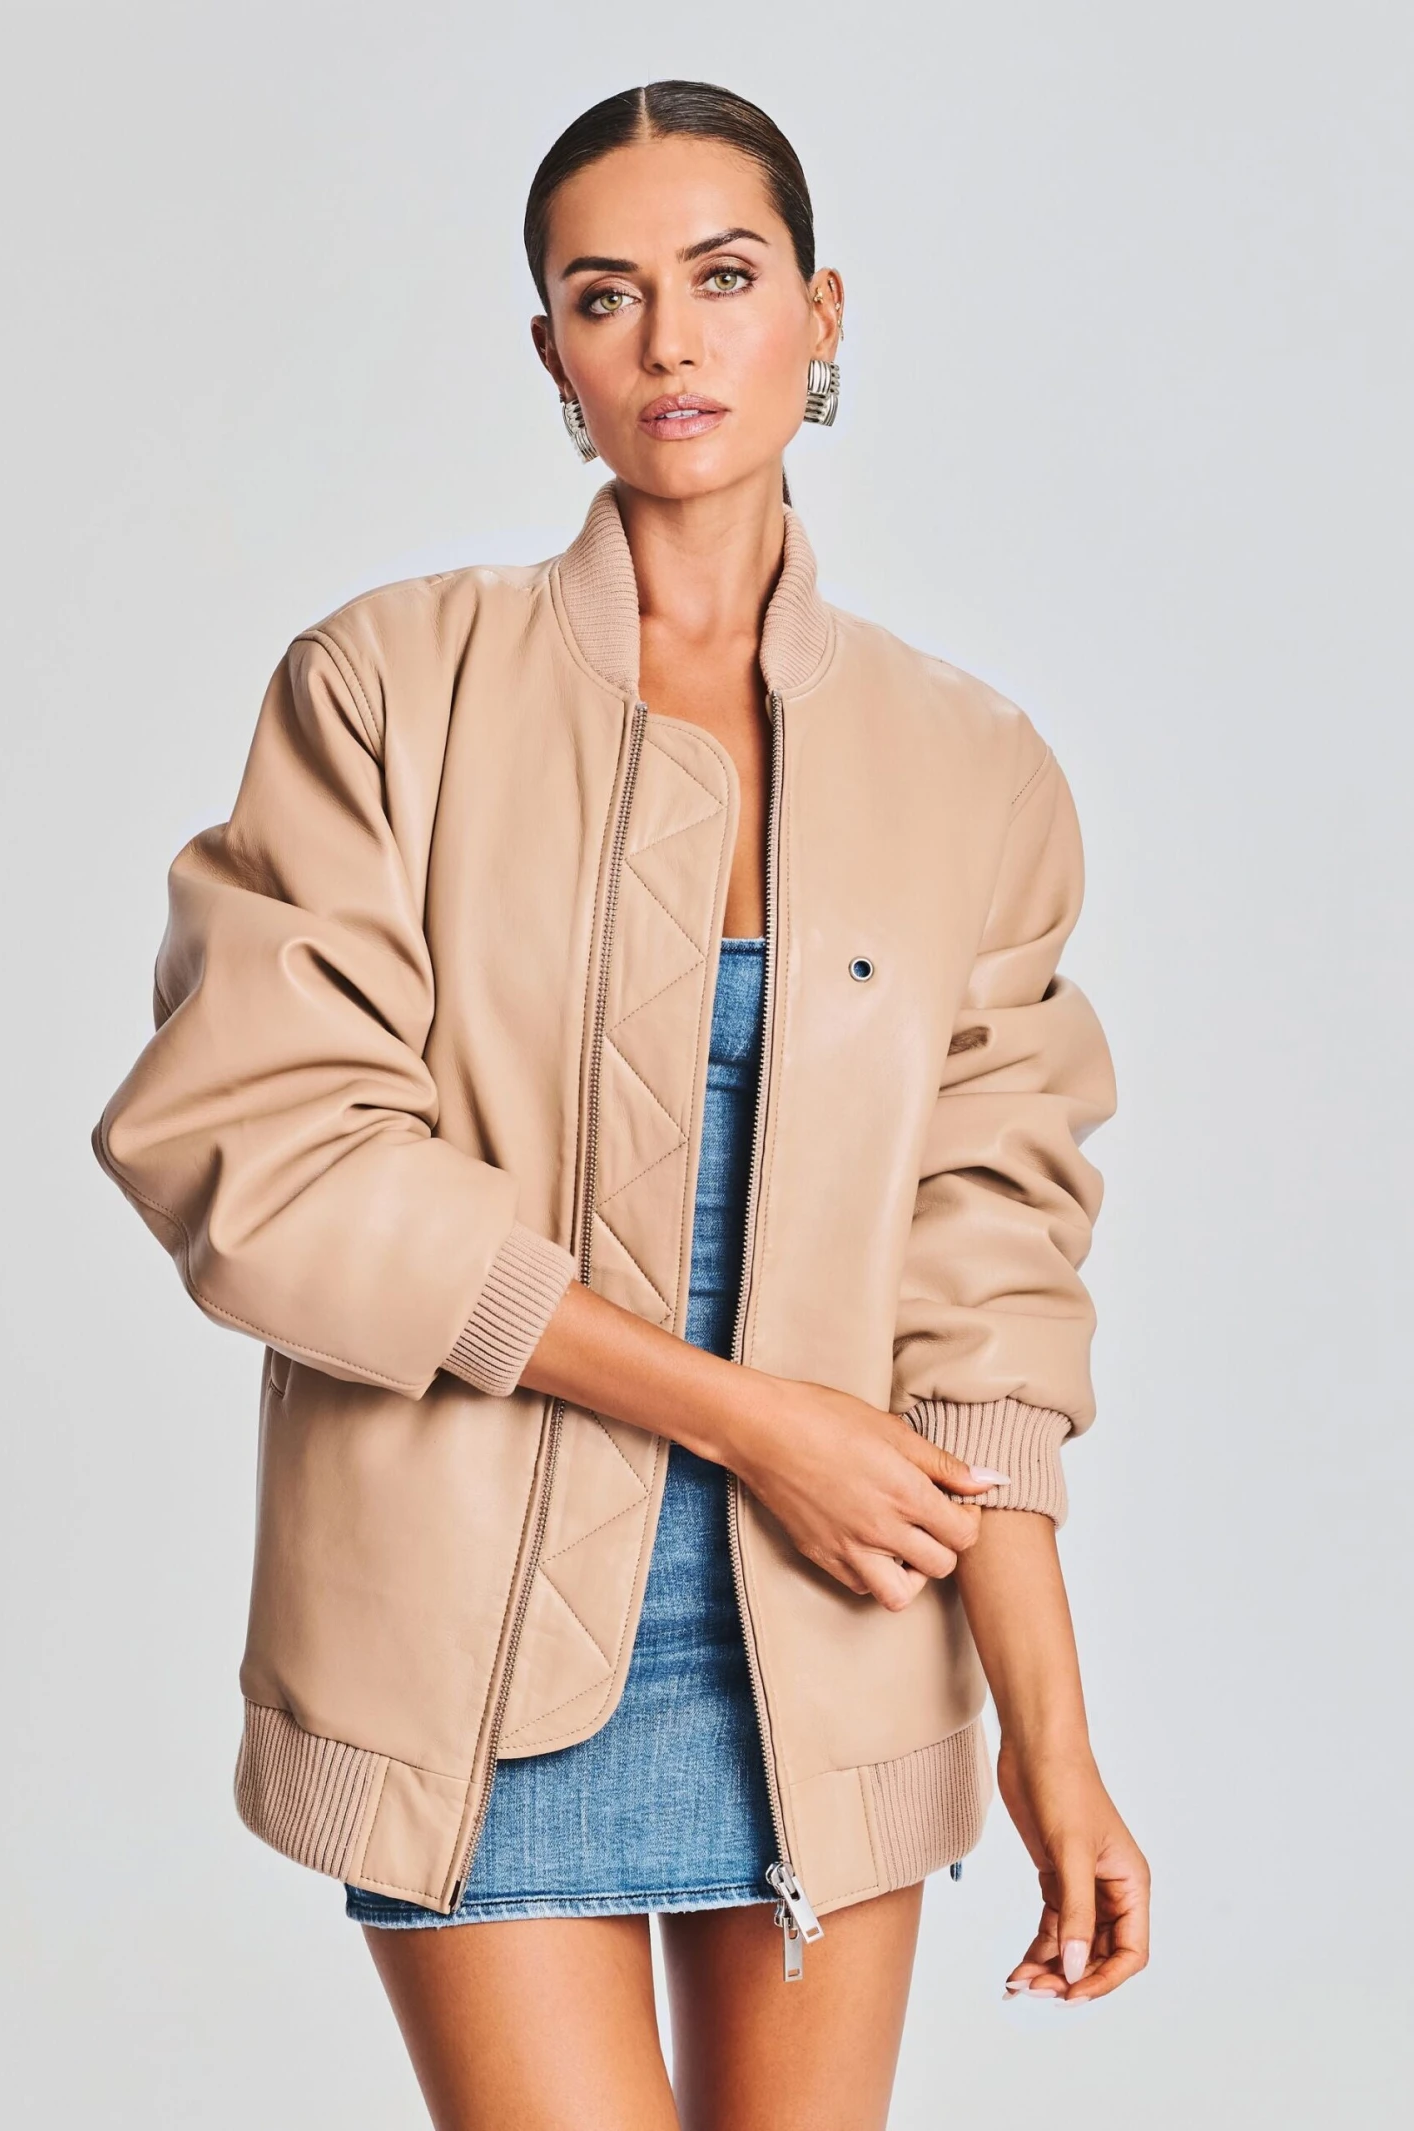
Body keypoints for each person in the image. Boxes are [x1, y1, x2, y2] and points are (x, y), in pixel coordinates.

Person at [93, 78, 1149, 2131]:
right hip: (462, 1646)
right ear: (552, 354)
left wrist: (1054, 1738)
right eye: (606, 294)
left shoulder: (974, 768)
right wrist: (754, 1422)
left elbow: (990, 1298)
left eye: (725, 278)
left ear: (821, 314)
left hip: (840, 1639)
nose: (671, 339)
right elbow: (267, 1158)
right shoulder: (387, 687)